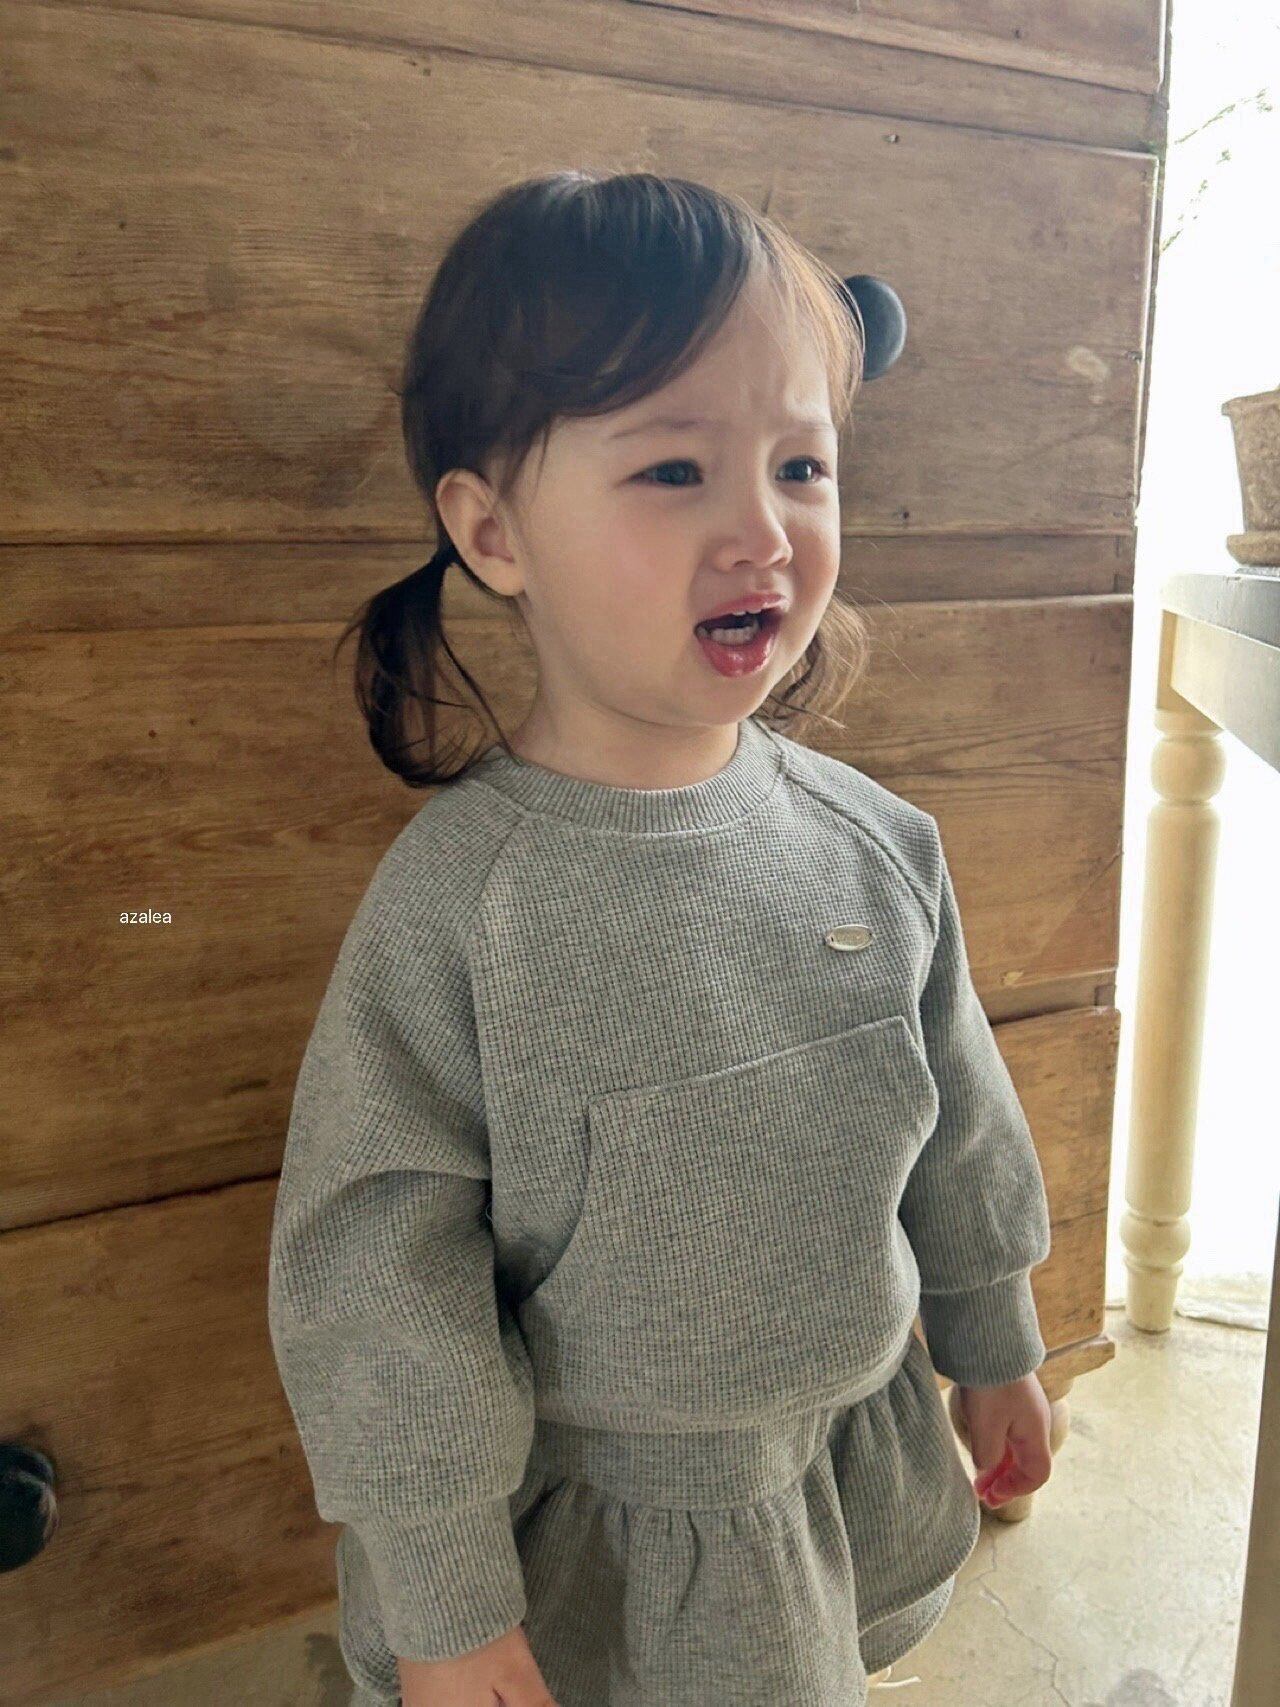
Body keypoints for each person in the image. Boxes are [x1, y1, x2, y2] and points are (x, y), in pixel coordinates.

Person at [266, 168, 1055, 1707]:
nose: (763, 530)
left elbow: (959, 1124)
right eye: (675, 470)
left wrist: (994, 1337)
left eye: (802, 466)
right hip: (596, 1538)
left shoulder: (876, 842)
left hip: (835, 1455)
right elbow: (378, 1273)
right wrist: (442, 1594)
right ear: (494, 531)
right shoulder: (463, 906)